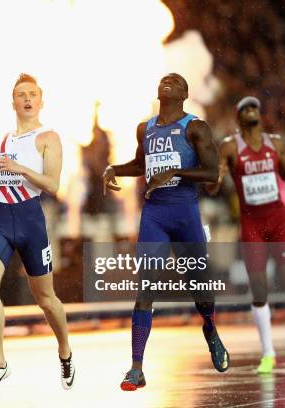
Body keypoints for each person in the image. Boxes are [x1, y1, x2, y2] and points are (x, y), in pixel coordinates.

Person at [103, 73, 230, 391]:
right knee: (145, 288)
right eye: (164, 79)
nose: (168, 81)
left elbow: (211, 171)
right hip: (155, 216)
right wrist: (113, 169)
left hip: (185, 214)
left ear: (185, 93)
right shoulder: (145, 128)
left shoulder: (195, 127)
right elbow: (140, 165)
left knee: (200, 288)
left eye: (176, 80)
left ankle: (210, 329)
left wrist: (174, 171)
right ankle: (136, 368)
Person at [0, 73, 75, 397]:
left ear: (41, 101)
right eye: (21, 94)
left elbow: (52, 184)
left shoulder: (48, 137)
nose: (26, 99)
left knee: (46, 299)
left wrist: (21, 169)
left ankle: (65, 350)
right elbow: (1, 173)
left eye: (32, 94)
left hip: (30, 223)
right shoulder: (5, 138)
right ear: (13, 102)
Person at [207, 96, 285, 374]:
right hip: (252, 226)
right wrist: (216, 181)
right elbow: (221, 172)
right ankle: (268, 353)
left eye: (254, 108)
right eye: (245, 108)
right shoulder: (230, 146)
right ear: (238, 118)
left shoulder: (276, 143)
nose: (251, 111)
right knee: (259, 289)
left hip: (278, 220)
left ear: (260, 115)